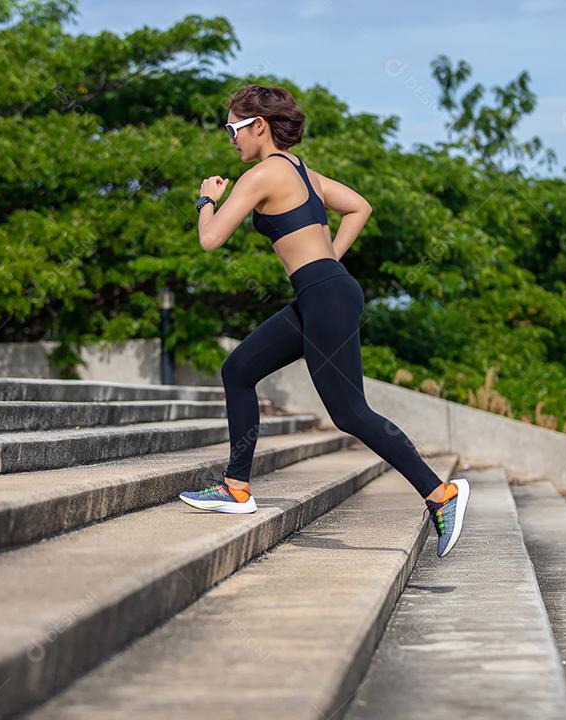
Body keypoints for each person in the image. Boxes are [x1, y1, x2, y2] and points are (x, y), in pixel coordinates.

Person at [179, 84, 469, 557]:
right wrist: (328, 263)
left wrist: (206, 198)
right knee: (238, 370)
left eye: (232, 129)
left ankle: (441, 494)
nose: (229, 139)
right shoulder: (300, 171)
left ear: (259, 127)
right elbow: (360, 206)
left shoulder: (261, 174)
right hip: (321, 293)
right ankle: (235, 487)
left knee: (350, 413)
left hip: (323, 294)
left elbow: (210, 239)